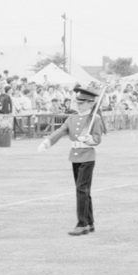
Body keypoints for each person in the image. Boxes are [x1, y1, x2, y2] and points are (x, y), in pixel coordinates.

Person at [38, 85, 105, 236]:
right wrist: (48, 142)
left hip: (87, 157)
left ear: (90, 103)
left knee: (81, 190)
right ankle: (89, 223)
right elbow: (60, 131)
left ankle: (81, 224)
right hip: (75, 156)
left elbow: (98, 139)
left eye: (81, 103)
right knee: (84, 191)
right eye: (78, 103)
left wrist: (90, 139)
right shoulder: (72, 118)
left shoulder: (94, 118)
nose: (78, 105)